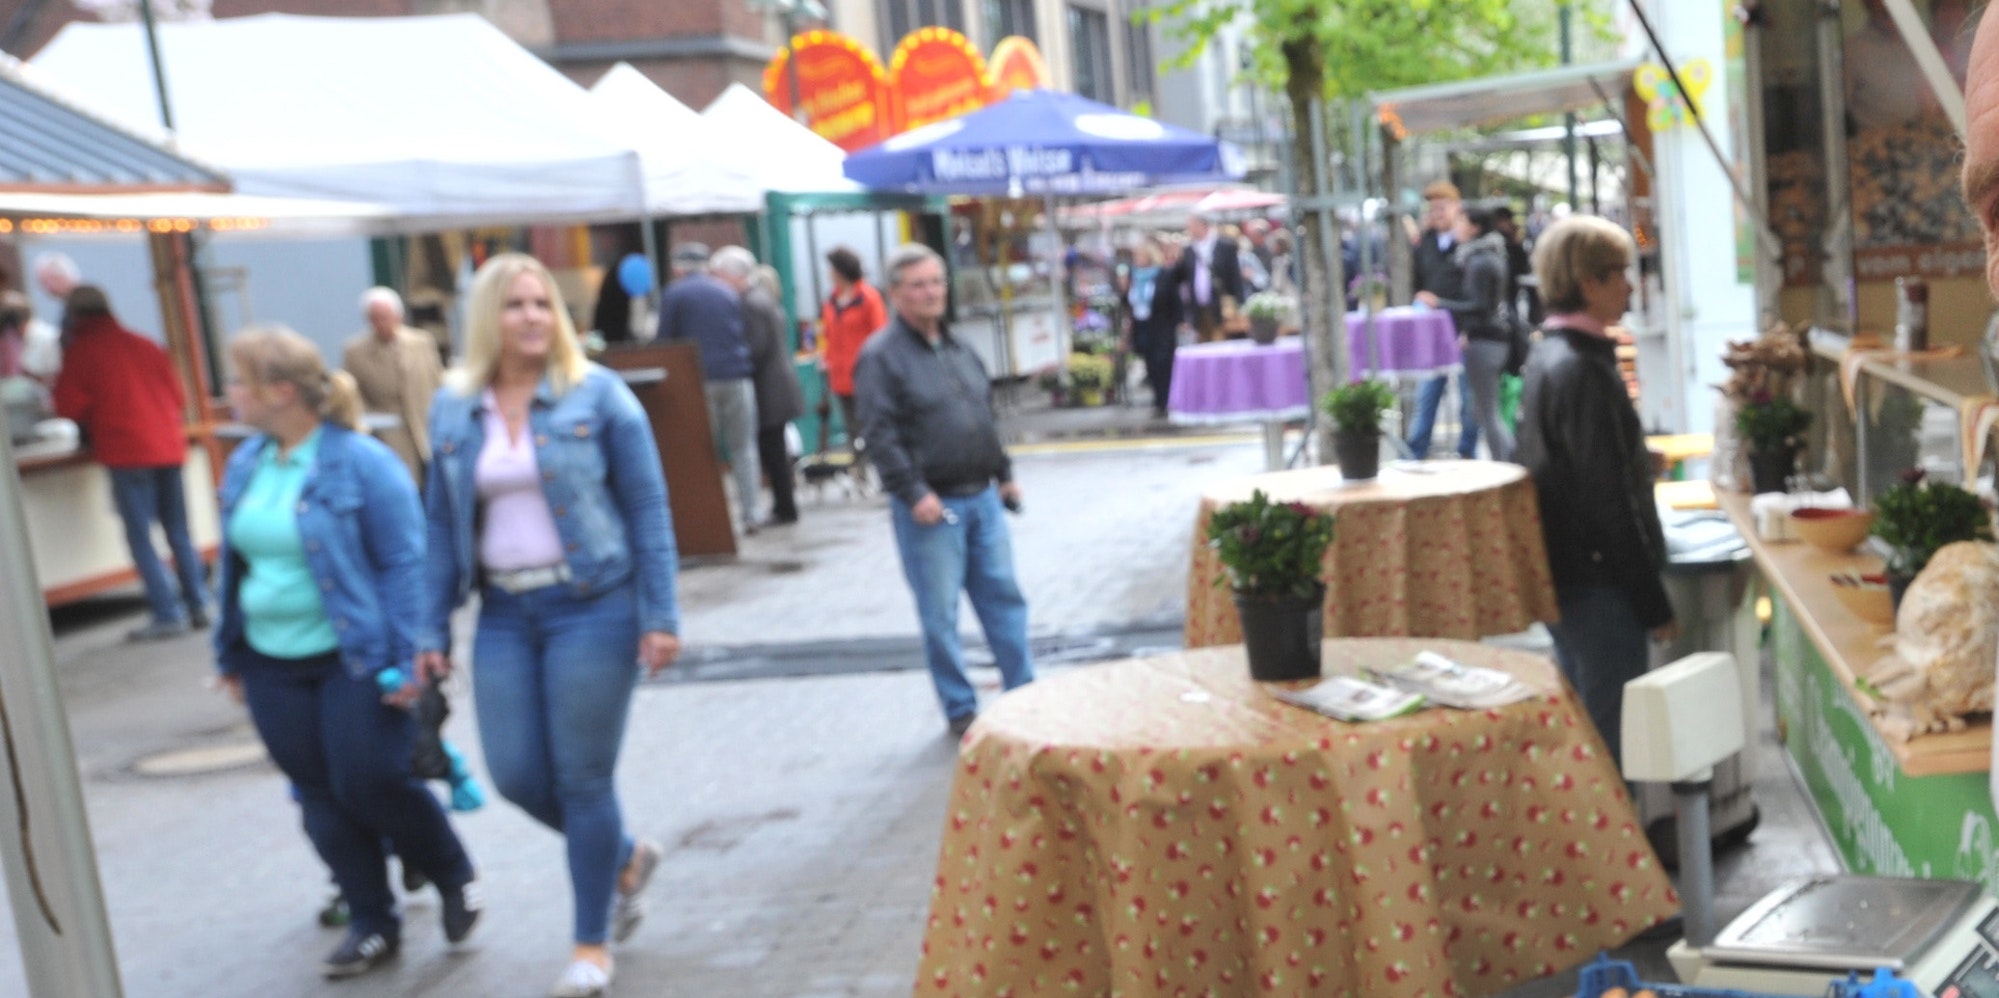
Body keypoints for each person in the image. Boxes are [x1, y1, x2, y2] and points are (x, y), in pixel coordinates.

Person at [417, 253, 681, 998]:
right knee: (517, 776)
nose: (532, 317)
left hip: (594, 604)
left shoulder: (597, 395)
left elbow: (649, 509)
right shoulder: (452, 407)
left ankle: (591, 943)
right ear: (485, 320)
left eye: (541, 304)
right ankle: (623, 858)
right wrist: (428, 630)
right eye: (514, 305)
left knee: (582, 777)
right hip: (503, 611)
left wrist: (660, 615)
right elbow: (439, 527)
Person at [212, 326, 480, 978]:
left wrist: (411, 652)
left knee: (371, 781)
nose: (230, 394)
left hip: (355, 656)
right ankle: (371, 921)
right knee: (317, 797)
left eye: (240, 381)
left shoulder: (362, 462)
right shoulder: (248, 462)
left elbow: (404, 562)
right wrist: (229, 657)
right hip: (270, 659)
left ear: (282, 391)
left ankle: (448, 869)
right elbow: (234, 568)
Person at [1513, 216, 1677, 766]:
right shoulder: (1583, 370)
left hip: (1567, 579)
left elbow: (1561, 464)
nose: (1631, 286)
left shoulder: (1548, 355)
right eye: (1620, 274)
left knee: (1589, 735)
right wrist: (1654, 603)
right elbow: (1607, 503)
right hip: (1599, 586)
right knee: (1611, 751)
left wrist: (1633, 456)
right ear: (1588, 281)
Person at [855, 244, 1034, 737]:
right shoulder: (882, 359)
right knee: (941, 615)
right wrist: (914, 493)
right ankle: (960, 708)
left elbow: (983, 413)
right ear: (895, 294)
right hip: (933, 507)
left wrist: (1005, 472)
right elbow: (880, 435)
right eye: (918, 285)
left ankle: (1024, 693)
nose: (931, 293)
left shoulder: (959, 347)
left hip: (982, 498)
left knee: (1004, 599)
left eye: (936, 282)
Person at [52, 285, 210, 640]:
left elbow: (67, 406)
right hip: (167, 446)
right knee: (179, 531)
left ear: (75, 316)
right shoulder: (145, 343)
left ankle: (168, 612)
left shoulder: (81, 351)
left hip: (126, 452)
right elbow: (178, 395)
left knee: (140, 536)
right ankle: (199, 603)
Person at [658, 241, 760, 535]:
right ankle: (751, 514)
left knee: (703, 451)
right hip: (737, 375)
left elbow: (665, 342)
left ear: (678, 266)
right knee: (743, 448)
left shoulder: (674, 294)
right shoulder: (727, 292)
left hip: (698, 381)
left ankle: (711, 522)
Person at [1415, 203, 1515, 463]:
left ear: (1475, 228)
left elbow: (1480, 307)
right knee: (1483, 411)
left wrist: (1440, 303)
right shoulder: (1481, 257)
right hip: (1486, 339)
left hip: (1486, 341)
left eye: (1461, 222)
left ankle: (1507, 465)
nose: (1457, 228)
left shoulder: (1480, 261)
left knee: (1487, 412)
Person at [714, 248, 804, 528]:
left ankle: (784, 508)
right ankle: (784, 505)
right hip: (777, 384)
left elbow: (756, 347)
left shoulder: (749, 303)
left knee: (774, 452)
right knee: (774, 451)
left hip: (769, 388)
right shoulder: (762, 297)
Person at [1404, 180, 1479, 460]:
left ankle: (1467, 452)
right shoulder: (1424, 244)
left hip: (1463, 330)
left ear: (1457, 209)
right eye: (1432, 208)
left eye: (1442, 207)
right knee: (1427, 394)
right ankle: (1415, 452)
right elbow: (1418, 282)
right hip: (1432, 333)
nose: (1437, 213)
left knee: (1468, 399)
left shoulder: (1469, 246)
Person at [342, 286, 445, 486]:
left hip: (427, 428)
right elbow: (352, 395)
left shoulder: (421, 343)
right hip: (389, 434)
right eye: (375, 318)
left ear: (398, 316)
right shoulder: (355, 351)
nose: (381, 323)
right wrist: (369, 423)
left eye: (385, 317)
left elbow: (437, 381)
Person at [818, 246, 888, 472]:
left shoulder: (868, 298)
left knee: (872, 424)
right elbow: (827, 334)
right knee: (852, 427)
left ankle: (881, 468)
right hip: (840, 376)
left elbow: (880, 334)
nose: (829, 273)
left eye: (832, 268)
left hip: (865, 374)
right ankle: (861, 470)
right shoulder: (831, 300)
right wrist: (826, 359)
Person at [1119, 239, 1182, 417]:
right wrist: (1124, 290)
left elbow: (1174, 301)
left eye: (1141, 256)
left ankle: (1167, 399)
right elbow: (1127, 303)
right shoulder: (1133, 277)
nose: (1137, 259)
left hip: (1161, 325)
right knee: (1150, 363)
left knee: (1163, 362)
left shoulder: (1163, 275)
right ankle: (1158, 400)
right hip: (1142, 325)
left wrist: (1180, 322)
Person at [1174, 213, 1243, 342]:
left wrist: (1239, 302)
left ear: (1201, 225)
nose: (1188, 230)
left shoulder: (1224, 246)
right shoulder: (1188, 249)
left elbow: (1235, 277)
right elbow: (1182, 277)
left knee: (1221, 341)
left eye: (1191, 226)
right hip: (1198, 307)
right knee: (1202, 342)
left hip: (1221, 307)